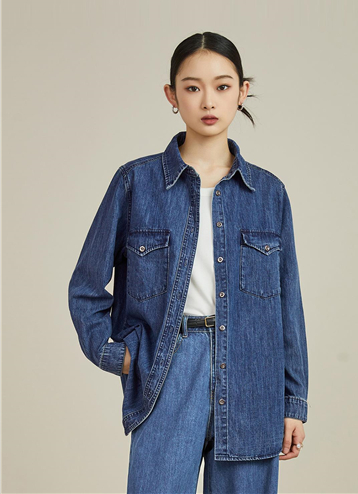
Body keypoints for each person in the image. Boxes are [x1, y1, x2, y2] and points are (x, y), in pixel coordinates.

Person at [68, 31, 309, 494]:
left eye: (222, 86)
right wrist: (118, 356)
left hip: (253, 379)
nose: (208, 100)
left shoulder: (269, 194)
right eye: (192, 87)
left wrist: (293, 401)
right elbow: (85, 287)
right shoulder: (136, 184)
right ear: (172, 95)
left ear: (242, 92)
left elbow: (288, 307)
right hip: (169, 369)